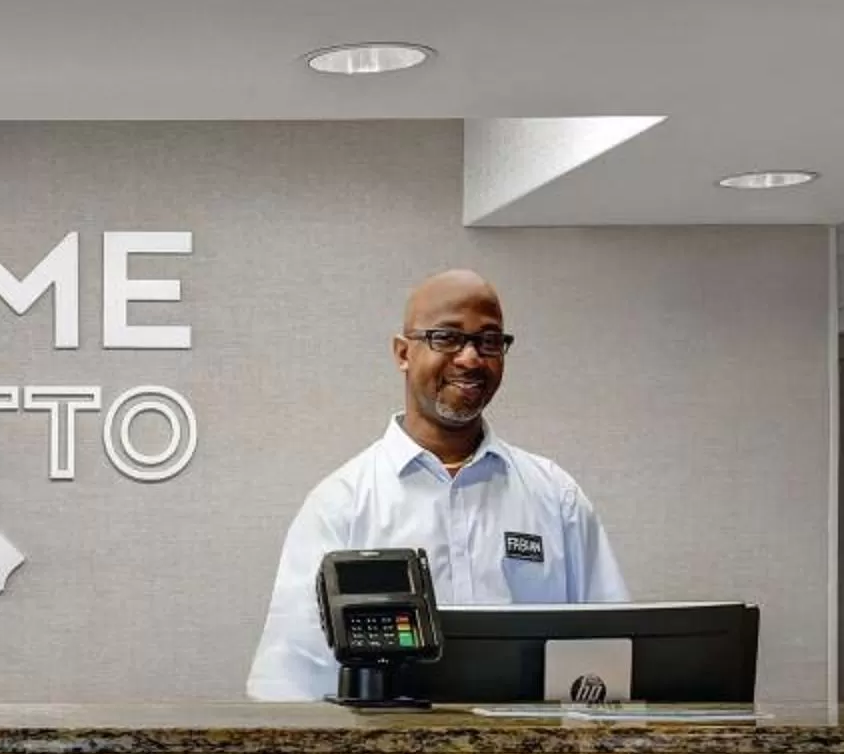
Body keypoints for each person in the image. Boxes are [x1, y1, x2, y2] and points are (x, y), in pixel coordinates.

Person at [246, 269, 629, 700]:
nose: (470, 358)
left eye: (488, 340)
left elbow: (612, 655)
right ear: (402, 352)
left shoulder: (556, 497)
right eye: (446, 337)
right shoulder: (342, 504)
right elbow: (289, 681)